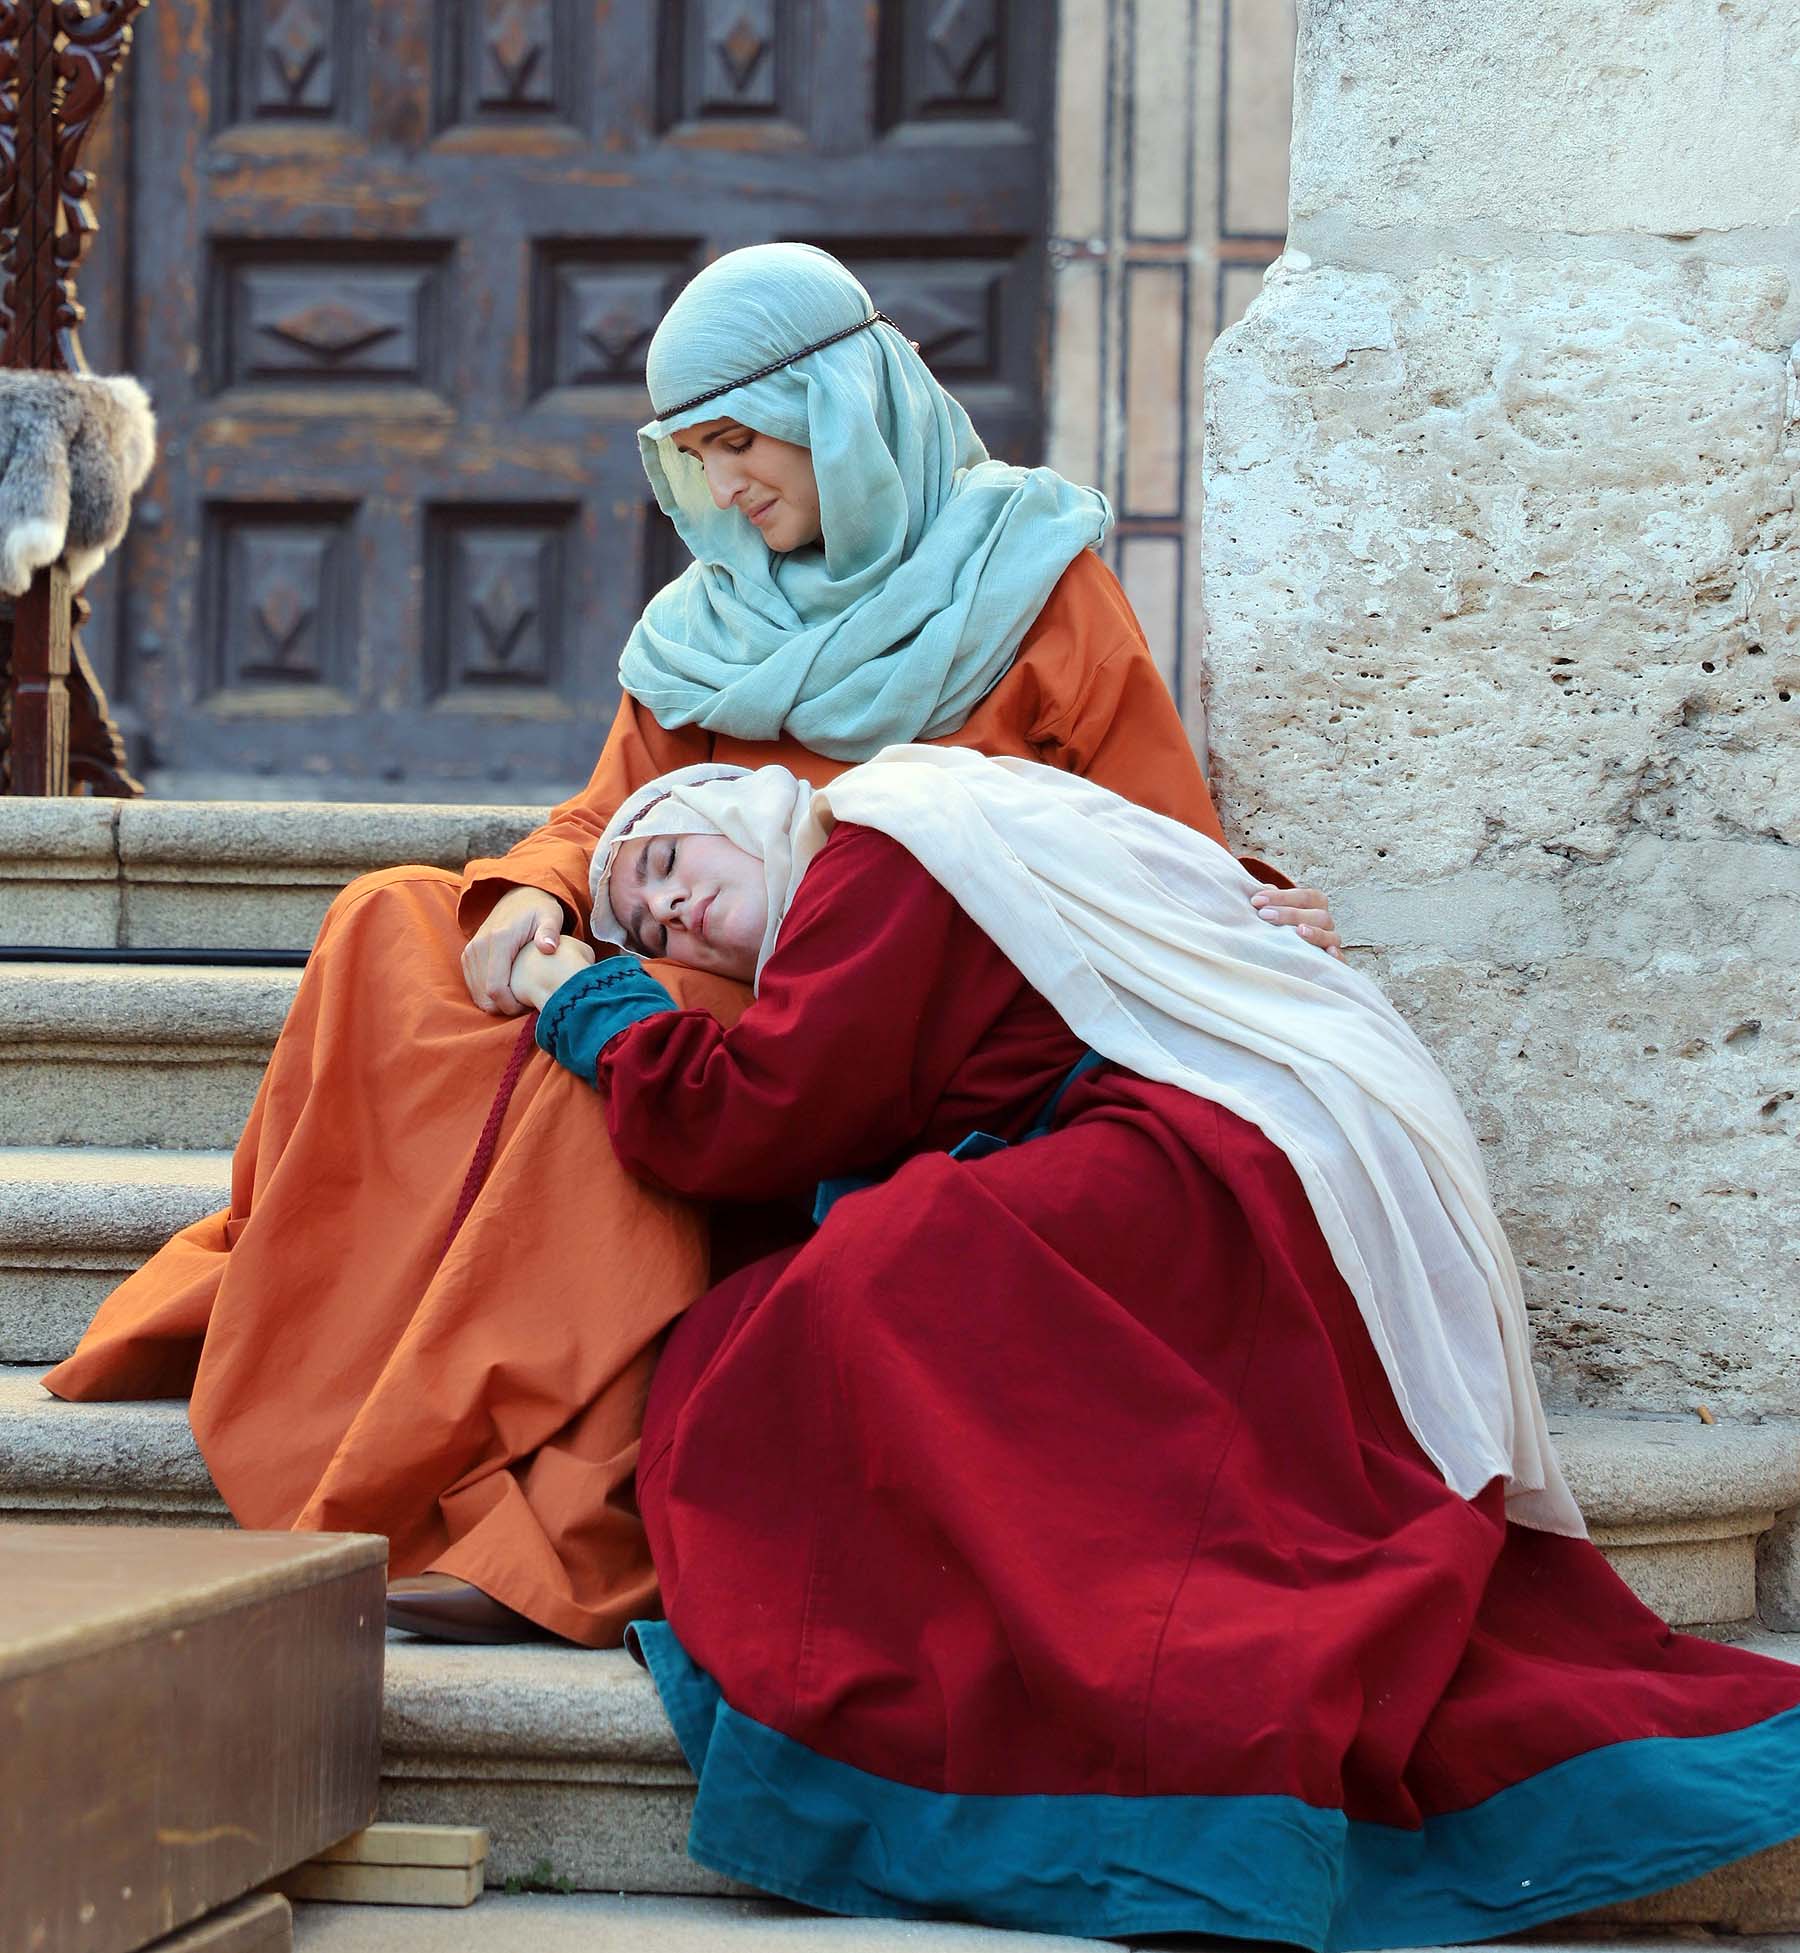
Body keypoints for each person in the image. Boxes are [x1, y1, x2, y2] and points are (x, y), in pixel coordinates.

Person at [42, 243, 1337, 1646]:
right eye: (694, 454)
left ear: (842, 408)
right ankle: (342, 1336)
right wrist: (537, 894)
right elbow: (606, 820)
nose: (721, 489)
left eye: (741, 442)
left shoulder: (1040, 586)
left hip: (857, 1042)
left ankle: (546, 1506)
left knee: (611, 1046)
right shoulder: (709, 620)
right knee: (392, 923)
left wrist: (1243, 905)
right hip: (681, 998)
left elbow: (1145, 832)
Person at [510, 746, 1800, 1948]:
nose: (670, 916)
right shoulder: (940, 830)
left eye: (669, 865)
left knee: (875, 1276)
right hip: (1244, 1140)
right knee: (839, 1282)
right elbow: (1153, 889)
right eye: (646, 924)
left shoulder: (876, 855)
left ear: (751, 811)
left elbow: (749, 1119)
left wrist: (592, 998)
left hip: (1218, 1156)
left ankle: (1157, 1729)